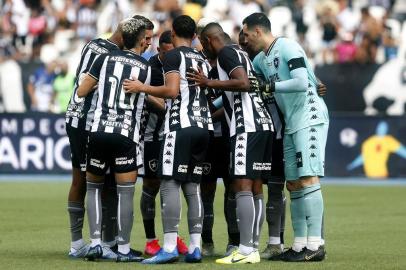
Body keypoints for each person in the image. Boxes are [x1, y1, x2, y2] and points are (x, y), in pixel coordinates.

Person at [124, 15, 213, 264]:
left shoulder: (174, 56)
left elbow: (172, 91)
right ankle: (195, 247)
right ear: (195, 35)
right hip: (203, 127)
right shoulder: (202, 59)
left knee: (169, 183)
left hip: (179, 126)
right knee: (193, 187)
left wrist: (142, 87)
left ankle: (171, 246)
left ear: (173, 33)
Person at [242, 12, 329, 262]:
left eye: (247, 34)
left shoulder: (288, 46)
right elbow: (249, 83)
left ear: (258, 31)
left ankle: (316, 244)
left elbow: (302, 82)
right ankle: (300, 244)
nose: (245, 39)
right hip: (291, 123)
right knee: (294, 184)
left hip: (309, 116)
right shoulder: (261, 59)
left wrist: (271, 87)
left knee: (308, 178)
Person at [188, 22, 274, 264]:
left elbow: (243, 83)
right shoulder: (240, 51)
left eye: (203, 46)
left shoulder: (225, 53)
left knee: (242, 187)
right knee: (255, 188)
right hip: (262, 125)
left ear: (208, 41)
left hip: (246, 127)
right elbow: (230, 98)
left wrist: (209, 83)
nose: (204, 51)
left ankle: (245, 249)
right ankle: (253, 247)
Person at [76, 17, 149, 262]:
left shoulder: (103, 58)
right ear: (141, 41)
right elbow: (160, 101)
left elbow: (81, 91)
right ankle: (124, 250)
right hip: (125, 135)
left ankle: (95, 243)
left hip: (97, 131)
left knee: (94, 188)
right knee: (125, 193)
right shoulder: (146, 68)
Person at [65, 19, 123, 259]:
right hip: (89, 121)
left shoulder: (93, 43)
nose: (146, 43)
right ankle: (94, 243)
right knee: (97, 181)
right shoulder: (115, 56)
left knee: (85, 179)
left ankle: (85, 242)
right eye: (145, 37)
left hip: (75, 116)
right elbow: (88, 87)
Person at [138, 30, 189, 256]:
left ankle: (173, 235)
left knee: (172, 186)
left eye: (173, 52)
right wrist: (168, 101)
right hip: (152, 137)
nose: (171, 57)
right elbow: (148, 98)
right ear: (159, 51)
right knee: (151, 187)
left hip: (173, 133)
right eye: (167, 53)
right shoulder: (150, 69)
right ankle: (151, 240)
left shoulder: (181, 61)